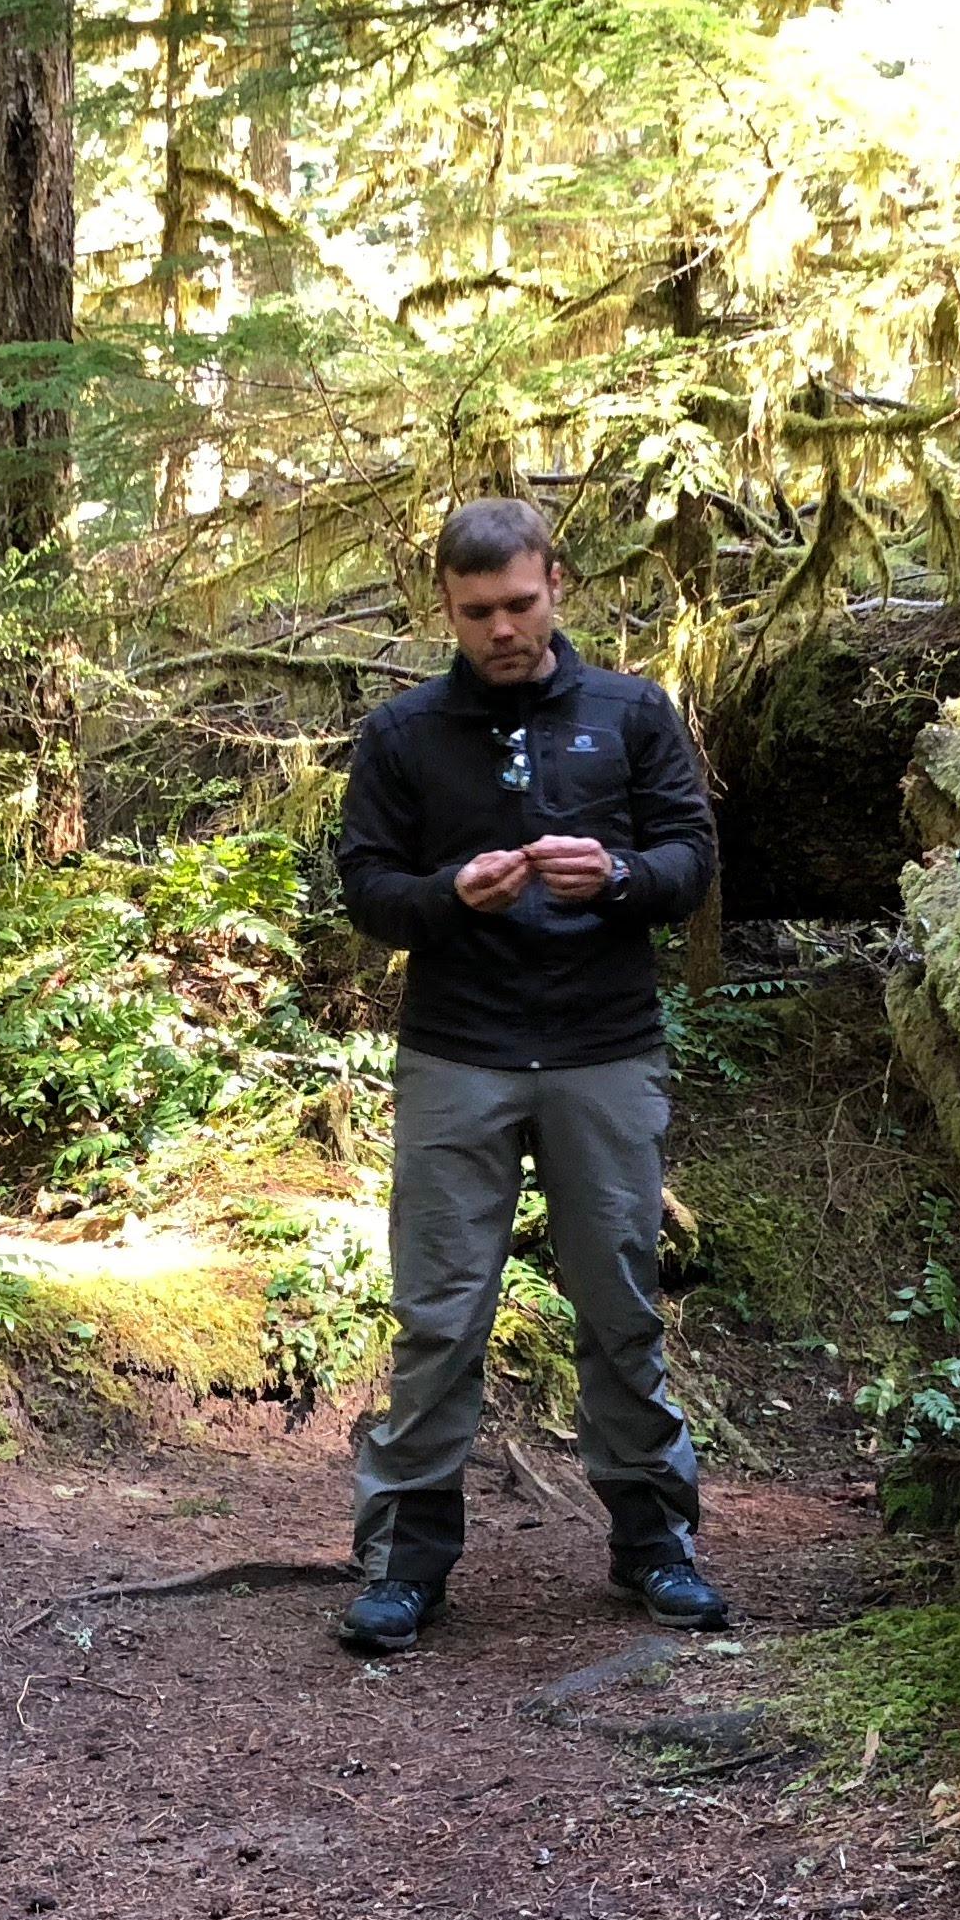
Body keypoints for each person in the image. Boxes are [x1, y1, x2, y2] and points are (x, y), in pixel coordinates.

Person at [330, 493, 731, 1655]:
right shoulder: (405, 735)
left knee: (620, 1302)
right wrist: (448, 897)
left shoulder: (632, 712)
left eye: (518, 604)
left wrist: (612, 875)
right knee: (439, 1309)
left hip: (605, 1047)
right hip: (460, 1050)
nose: (501, 629)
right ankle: (405, 1562)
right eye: (475, 612)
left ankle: (655, 1543)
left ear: (557, 584)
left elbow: (689, 862)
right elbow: (366, 886)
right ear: (443, 610)